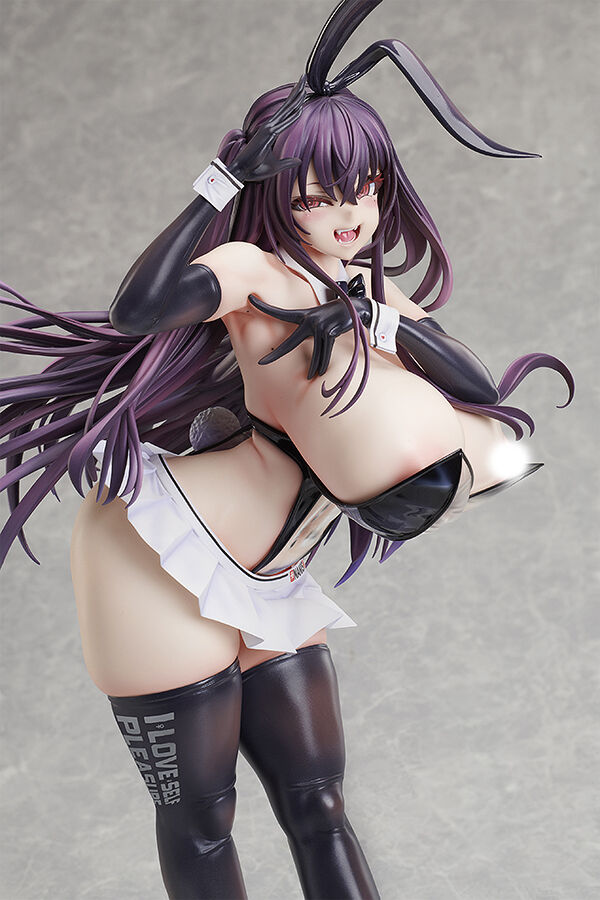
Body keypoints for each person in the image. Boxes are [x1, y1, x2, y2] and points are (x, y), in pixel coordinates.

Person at [0, 1, 573, 897]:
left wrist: (380, 317)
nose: (351, 214)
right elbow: (139, 309)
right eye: (319, 193)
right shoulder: (255, 273)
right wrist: (221, 180)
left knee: (319, 803)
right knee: (203, 826)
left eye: (366, 188)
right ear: (277, 193)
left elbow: (474, 384)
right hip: (160, 560)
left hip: (274, 574)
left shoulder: (365, 290)